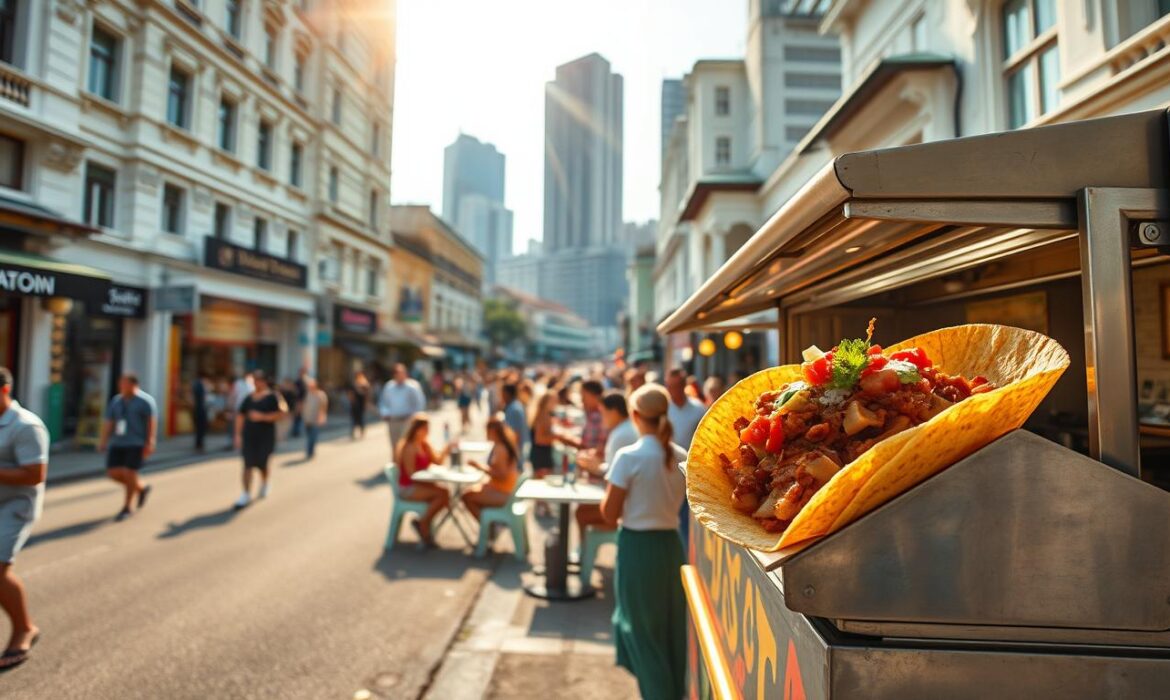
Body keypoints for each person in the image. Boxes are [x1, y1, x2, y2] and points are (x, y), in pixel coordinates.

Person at [600, 383, 687, 700]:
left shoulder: (628, 457)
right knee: (671, 631)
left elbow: (610, 514)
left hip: (638, 548)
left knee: (641, 630)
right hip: (671, 547)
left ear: (635, 415)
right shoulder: (681, 457)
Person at [0, 368, 48, 672]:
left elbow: (34, 475)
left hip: (15, 505)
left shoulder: (27, 426)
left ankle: (24, 628)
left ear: (4, 391)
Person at [575, 390, 639, 542]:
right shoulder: (623, 429)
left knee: (581, 513)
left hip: (625, 507)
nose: (601, 418)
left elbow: (615, 472)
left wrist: (594, 466)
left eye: (603, 413)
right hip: (629, 502)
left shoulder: (622, 433)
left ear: (614, 412)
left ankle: (583, 553)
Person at [98, 374, 157, 522]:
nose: (122, 387)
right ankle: (141, 488)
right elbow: (109, 422)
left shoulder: (145, 402)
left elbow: (151, 422)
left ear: (134, 385)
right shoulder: (116, 401)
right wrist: (103, 441)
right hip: (118, 442)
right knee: (113, 473)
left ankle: (127, 507)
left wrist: (150, 441)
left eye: (125, 384)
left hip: (136, 442)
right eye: (121, 384)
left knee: (130, 472)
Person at [395, 414, 451, 547]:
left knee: (444, 493)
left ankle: (423, 524)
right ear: (416, 429)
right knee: (442, 494)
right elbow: (411, 475)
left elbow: (438, 461)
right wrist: (431, 480)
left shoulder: (424, 444)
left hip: (421, 484)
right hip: (408, 487)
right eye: (424, 429)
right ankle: (423, 524)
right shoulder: (408, 447)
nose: (427, 432)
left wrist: (447, 449)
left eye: (428, 428)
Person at [233, 371, 287, 509]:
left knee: (263, 464)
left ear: (265, 382)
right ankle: (245, 493)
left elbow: (283, 413)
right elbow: (240, 416)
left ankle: (265, 482)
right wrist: (237, 435)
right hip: (249, 436)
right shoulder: (248, 398)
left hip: (265, 437)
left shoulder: (273, 397)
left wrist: (262, 417)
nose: (257, 383)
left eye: (260, 380)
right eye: (255, 380)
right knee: (247, 465)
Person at [666, 368, 707, 541]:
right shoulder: (664, 409)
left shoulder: (698, 409)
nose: (674, 389)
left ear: (684, 385)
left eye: (678, 385)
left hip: (689, 470)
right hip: (666, 468)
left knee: (685, 516)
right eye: (671, 386)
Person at [461, 416, 519, 521]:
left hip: (504, 492)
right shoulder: (501, 445)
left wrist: (479, 467)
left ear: (493, 431)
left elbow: (502, 475)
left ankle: (486, 527)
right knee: (470, 491)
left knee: (466, 496)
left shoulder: (500, 449)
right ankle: (489, 525)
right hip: (503, 488)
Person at [379, 363, 426, 455]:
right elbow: (383, 402)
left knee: (406, 445)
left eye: (401, 373)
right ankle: (396, 465)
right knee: (395, 446)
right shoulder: (389, 386)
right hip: (393, 420)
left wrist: (415, 417)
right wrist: (385, 413)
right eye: (397, 373)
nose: (399, 375)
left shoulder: (412, 386)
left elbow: (420, 403)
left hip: (408, 420)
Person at [528, 392, 557, 478]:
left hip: (543, 454)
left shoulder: (546, 415)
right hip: (541, 457)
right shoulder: (542, 416)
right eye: (553, 401)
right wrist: (556, 437)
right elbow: (539, 439)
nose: (555, 404)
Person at [302, 376, 328, 459]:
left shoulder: (321, 395)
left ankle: (310, 452)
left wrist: (322, 417)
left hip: (316, 419)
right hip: (307, 419)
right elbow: (304, 405)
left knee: (312, 437)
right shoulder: (308, 394)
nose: (309, 387)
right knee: (309, 435)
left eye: (311, 385)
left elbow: (324, 406)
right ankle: (310, 451)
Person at [501, 383, 530, 458]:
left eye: (502, 393)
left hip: (516, 450)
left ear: (507, 393)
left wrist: (512, 454)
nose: (501, 396)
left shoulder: (513, 409)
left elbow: (515, 433)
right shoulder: (515, 405)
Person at [348, 371, 371, 439]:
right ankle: (353, 433)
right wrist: (352, 401)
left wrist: (366, 404)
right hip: (355, 406)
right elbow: (350, 394)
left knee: (362, 419)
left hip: (361, 405)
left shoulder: (365, 384)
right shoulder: (353, 384)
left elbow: (367, 394)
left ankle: (362, 432)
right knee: (354, 420)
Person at [192, 374, 208, 453]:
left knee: (199, 429)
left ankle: (198, 445)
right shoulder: (201, 387)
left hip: (197, 410)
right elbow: (203, 399)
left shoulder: (196, 385)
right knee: (201, 429)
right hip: (200, 410)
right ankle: (199, 445)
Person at [290, 368, 308, 438]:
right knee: (297, 416)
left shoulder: (305, 381)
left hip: (303, 402)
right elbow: (295, 392)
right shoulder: (298, 382)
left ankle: (297, 431)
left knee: (300, 417)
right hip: (298, 401)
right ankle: (296, 431)